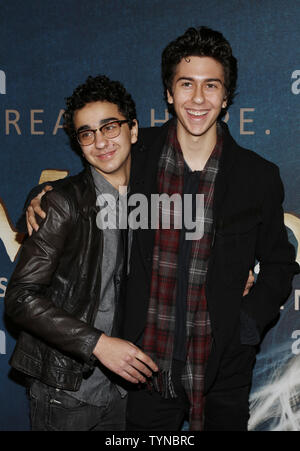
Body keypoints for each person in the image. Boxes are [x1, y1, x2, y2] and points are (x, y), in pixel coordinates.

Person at [22, 26, 297, 431]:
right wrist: (39, 195)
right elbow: (80, 184)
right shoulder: (139, 152)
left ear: (226, 97)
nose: (198, 99)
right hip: (145, 374)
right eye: (186, 85)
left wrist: (247, 324)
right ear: (169, 93)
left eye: (211, 86)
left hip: (223, 372)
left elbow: (279, 264)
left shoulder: (258, 177)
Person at [4, 75, 158, 431]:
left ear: (133, 130)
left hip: (122, 390)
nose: (101, 141)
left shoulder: (150, 198)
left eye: (110, 127)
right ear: (78, 144)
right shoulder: (61, 203)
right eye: (87, 133)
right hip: (66, 390)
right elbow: (19, 297)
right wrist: (97, 344)